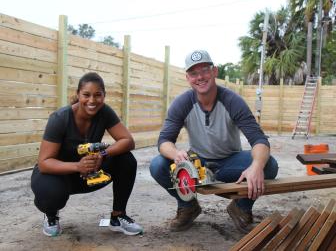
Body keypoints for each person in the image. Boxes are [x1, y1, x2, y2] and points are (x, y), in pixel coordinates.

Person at [149, 50, 278, 233]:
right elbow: (164, 141)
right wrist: (176, 154)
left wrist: (256, 165)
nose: (200, 77)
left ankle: (241, 208)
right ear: (188, 78)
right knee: (158, 164)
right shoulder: (182, 103)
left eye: (205, 70)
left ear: (215, 71)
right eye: (194, 73)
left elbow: (259, 140)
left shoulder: (233, 101)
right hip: (197, 163)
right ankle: (188, 206)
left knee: (268, 165)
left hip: (230, 162)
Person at [31, 72, 143, 237]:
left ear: (104, 96)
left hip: (88, 173)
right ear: (78, 94)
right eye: (86, 95)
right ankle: (51, 216)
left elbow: (128, 141)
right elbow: (44, 163)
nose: (92, 101)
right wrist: (77, 166)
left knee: (126, 160)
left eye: (98, 95)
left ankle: (118, 216)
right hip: (59, 174)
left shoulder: (104, 112)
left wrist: (102, 155)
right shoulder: (60, 118)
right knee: (51, 194)